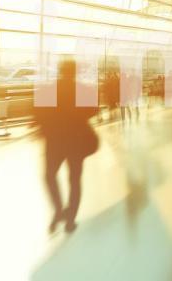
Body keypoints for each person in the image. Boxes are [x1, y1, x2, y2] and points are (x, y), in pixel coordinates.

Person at [34, 60, 99, 233]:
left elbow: (38, 116)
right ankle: (70, 218)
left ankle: (58, 209)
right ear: (75, 72)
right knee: (75, 179)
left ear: (60, 71)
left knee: (49, 176)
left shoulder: (47, 90)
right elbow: (94, 111)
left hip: (54, 142)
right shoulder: (85, 90)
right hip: (76, 141)